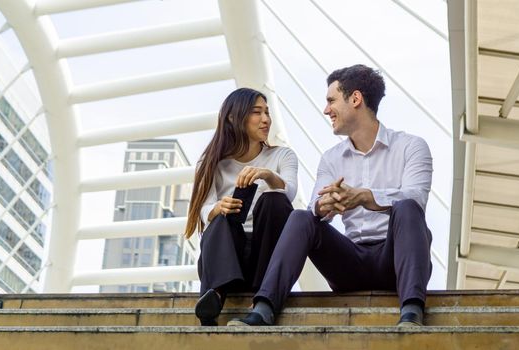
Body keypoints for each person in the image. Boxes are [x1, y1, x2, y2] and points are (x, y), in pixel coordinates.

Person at [228, 64, 433, 327]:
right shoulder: (331, 159)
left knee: (407, 207)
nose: (326, 110)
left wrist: (364, 197)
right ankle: (263, 309)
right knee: (303, 216)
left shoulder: (411, 146)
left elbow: (416, 198)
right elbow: (315, 205)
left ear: (355, 99)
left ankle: (412, 313)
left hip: (396, 261)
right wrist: (324, 206)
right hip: (350, 263)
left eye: (331, 100)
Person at [185, 87, 298, 326]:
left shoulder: (283, 156)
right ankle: (214, 297)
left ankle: (261, 297)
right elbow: (203, 211)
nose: (266, 119)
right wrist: (219, 208)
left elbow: (289, 192)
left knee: (274, 199)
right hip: (226, 255)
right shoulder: (211, 163)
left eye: (267, 112)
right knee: (220, 218)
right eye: (257, 112)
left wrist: (267, 175)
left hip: (264, 257)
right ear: (234, 117)